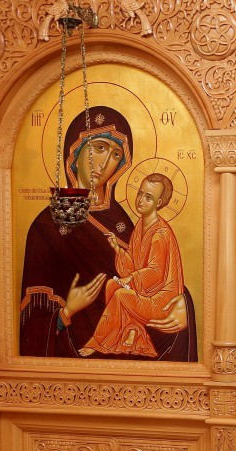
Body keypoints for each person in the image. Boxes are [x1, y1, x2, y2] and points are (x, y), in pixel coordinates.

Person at [20, 106, 196, 361]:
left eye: (115, 154)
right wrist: (66, 312)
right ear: (75, 150)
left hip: (132, 342)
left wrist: (183, 305)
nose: (104, 163)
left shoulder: (123, 221)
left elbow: (153, 275)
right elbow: (30, 325)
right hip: (73, 357)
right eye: (99, 147)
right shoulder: (47, 225)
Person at [79, 173, 186, 357]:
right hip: (145, 291)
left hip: (161, 300)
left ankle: (98, 342)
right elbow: (133, 263)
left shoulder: (160, 234)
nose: (140, 200)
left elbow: (156, 273)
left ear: (159, 203)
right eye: (140, 194)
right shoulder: (140, 227)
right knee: (112, 285)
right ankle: (132, 329)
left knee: (121, 294)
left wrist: (130, 278)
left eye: (148, 197)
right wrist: (117, 248)